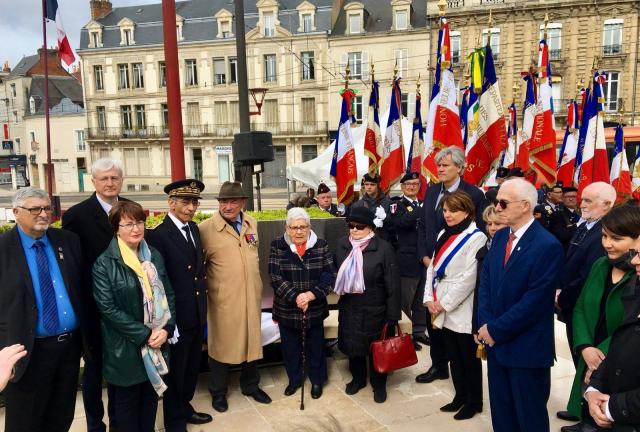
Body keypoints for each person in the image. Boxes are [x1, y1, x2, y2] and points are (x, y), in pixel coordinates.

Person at [477, 178, 564, 432]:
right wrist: (484, 324)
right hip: (495, 345)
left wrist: (494, 330)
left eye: (503, 203)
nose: (497, 208)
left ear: (525, 206)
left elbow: (534, 302)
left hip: (526, 349)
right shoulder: (501, 235)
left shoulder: (547, 246)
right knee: (502, 414)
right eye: (496, 202)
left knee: (529, 417)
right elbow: (486, 283)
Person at [0, 187, 86, 431]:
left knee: (61, 416)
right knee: (25, 421)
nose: (43, 214)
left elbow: (80, 289)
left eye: (47, 208)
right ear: (16, 212)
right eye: (35, 209)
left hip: (68, 349)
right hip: (26, 351)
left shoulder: (68, 241)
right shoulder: (3, 248)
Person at [92, 201, 176, 432]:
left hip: (156, 345)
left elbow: (168, 293)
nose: (136, 229)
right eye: (128, 224)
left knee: (149, 406)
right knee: (126, 412)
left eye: (139, 222)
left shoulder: (153, 256)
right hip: (125, 350)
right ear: (116, 228)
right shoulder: (104, 263)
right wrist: (146, 334)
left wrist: (167, 328)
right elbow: (107, 309)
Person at [62, 157, 128, 432]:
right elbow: (73, 266)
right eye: (104, 178)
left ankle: (118, 420)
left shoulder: (129, 209)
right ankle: (94, 424)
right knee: (94, 370)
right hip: (93, 309)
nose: (110, 183)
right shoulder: (76, 216)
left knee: (121, 368)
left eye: (114, 178)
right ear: (94, 181)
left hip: (127, 306)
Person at [562, 205, 640, 432]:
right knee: (589, 392)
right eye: (604, 236)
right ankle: (584, 417)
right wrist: (585, 345)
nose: (607, 244)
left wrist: (601, 354)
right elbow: (581, 308)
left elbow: (629, 327)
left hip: (617, 356)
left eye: (616, 238)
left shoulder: (635, 276)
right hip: (591, 346)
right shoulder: (600, 265)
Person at [416, 146, 488, 384]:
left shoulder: (474, 194)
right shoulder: (432, 191)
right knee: (433, 320)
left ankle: (464, 378)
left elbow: (479, 233)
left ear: (460, 167)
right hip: (432, 265)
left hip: (458, 272)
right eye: (439, 165)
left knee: (456, 327)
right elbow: (424, 226)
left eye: (446, 165)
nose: (440, 169)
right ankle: (438, 365)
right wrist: (426, 257)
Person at [199, 181, 272, 412]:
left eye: (232, 201)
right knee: (221, 345)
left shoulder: (252, 223)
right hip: (223, 300)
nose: (227, 206)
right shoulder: (205, 229)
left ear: (243, 202)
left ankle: (251, 385)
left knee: (252, 341)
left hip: (251, 296)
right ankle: (218, 392)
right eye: (223, 201)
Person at [145, 180, 212, 431]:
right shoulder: (158, 235)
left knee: (191, 367)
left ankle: (185, 407)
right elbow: (159, 282)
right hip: (176, 318)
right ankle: (174, 421)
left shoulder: (193, 229)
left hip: (196, 312)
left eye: (194, 202)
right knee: (175, 371)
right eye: (186, 202)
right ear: (171, 203)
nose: (191, 207)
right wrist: (167, 322)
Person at [423, 191, 486, 420]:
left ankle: (474, 401)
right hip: (440, 299)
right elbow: (432, 267)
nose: (448, 214)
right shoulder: (443, 232)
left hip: (461, 305)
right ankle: (460, 396)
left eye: (453, 210)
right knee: (452, 354)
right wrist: (429, 298)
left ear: (467, 212)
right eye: (446, 210)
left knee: (468, 356)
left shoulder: (477, 237)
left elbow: (470, 278)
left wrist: (443, 304)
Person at [268, 207, 336, 399]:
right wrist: (297, 297)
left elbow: (329, 275)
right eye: (294, 227)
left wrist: (310, 295)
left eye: (303, 227)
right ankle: (295, 379)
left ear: (309, 227)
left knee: (316, 346)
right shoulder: (277, 245)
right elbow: (275, 277)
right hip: (287, 308)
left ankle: (317, 380)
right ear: (287, 228)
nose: (298, 231)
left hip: (314, 307)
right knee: (290, 348)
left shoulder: (320, 245)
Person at [335, 206, 400, 403]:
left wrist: (393, 315)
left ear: (370, 228)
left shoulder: (383, 248)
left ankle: (379, 384)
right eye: (351, 226)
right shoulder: (342, 245)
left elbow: (393, 284)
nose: (354, 230)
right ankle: (358, 379)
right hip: (350, 305)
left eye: (359, 227)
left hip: (375, 307)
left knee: (377, 349)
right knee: (354, 346)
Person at [584, 241, 640, 431]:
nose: (634, 261)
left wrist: (611, 407)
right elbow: (620, 345)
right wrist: (594, 389)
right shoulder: (635, 294)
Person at [558, 182, 616, 364]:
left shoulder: (607, 233)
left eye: (588, 201)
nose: (581, 204)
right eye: (582, 199)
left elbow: (588, 276)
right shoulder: (584, 227)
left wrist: (562, 297)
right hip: (572, 307)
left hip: (587, 311)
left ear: (607, 204)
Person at [388, 171, 429, 350]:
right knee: (406, 299)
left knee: (421, 300)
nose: (412, 187)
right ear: (402, 187)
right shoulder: (397, 204)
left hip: (424, 259)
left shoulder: (422, 204)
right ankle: (406, 334)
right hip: (407, 260)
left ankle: (419, 331)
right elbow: (401, 223)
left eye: (415, 184)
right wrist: (420, 210)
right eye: (408, 185)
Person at [472, 206, 506, 336]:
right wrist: (476, 326)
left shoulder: (513, 251)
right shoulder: (483, 251)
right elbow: (479, 291)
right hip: (485, 319)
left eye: (497, 223)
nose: (492, 228)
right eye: (489, 223)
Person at [350, 173, 393, 241]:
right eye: (366, 184)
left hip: (383, 242)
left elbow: (395, 225)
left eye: (372, 184)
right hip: (363, 242)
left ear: (378, 185)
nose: (369, 187)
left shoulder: (388, 203)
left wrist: (385, 218)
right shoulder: (357, 205)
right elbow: (352, 226)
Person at [548, 186, 581, 253]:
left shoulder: (581, 214)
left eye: (574, 196)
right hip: (565, 252)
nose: (571, 199)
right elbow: (562, 236)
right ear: (562, 198)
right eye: (567, 197)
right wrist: (578, 225)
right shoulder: (557, 215)